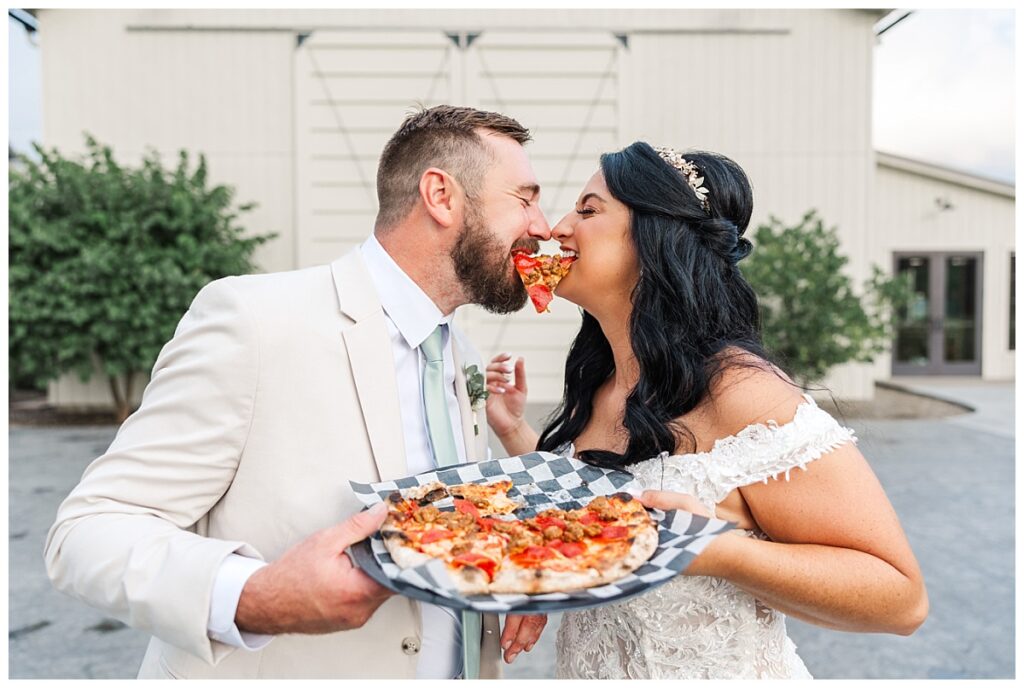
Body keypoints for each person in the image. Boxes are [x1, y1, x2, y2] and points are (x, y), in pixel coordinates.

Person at [44, 105, 550, 679]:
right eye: (525, 198)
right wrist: (255, 595)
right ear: (441, 195)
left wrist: (512, 574)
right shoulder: (254, 321)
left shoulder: (462, 352)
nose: (542, 225)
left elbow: (447, 522)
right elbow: (88, 530)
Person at [484, 141, 929, 678]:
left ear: (655, 239)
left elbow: (902, 601)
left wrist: (716, 551)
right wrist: (514, 433)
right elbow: (604, 506)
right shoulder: (602, 381)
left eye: (588, 209)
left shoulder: (742, 391)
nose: (557, 228)